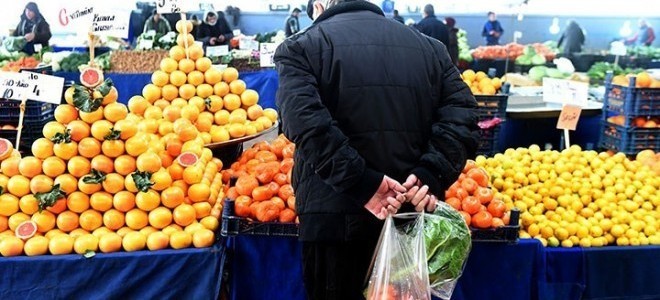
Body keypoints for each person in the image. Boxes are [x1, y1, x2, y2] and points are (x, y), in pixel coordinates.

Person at [274, 0, 479, 299]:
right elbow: (464, 116)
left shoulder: (301, 46)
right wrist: (429, 175)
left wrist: (363, 183)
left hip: (333, 222)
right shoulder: (430, 48)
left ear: (319, 5)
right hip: (410, 214)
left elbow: (304, 123)